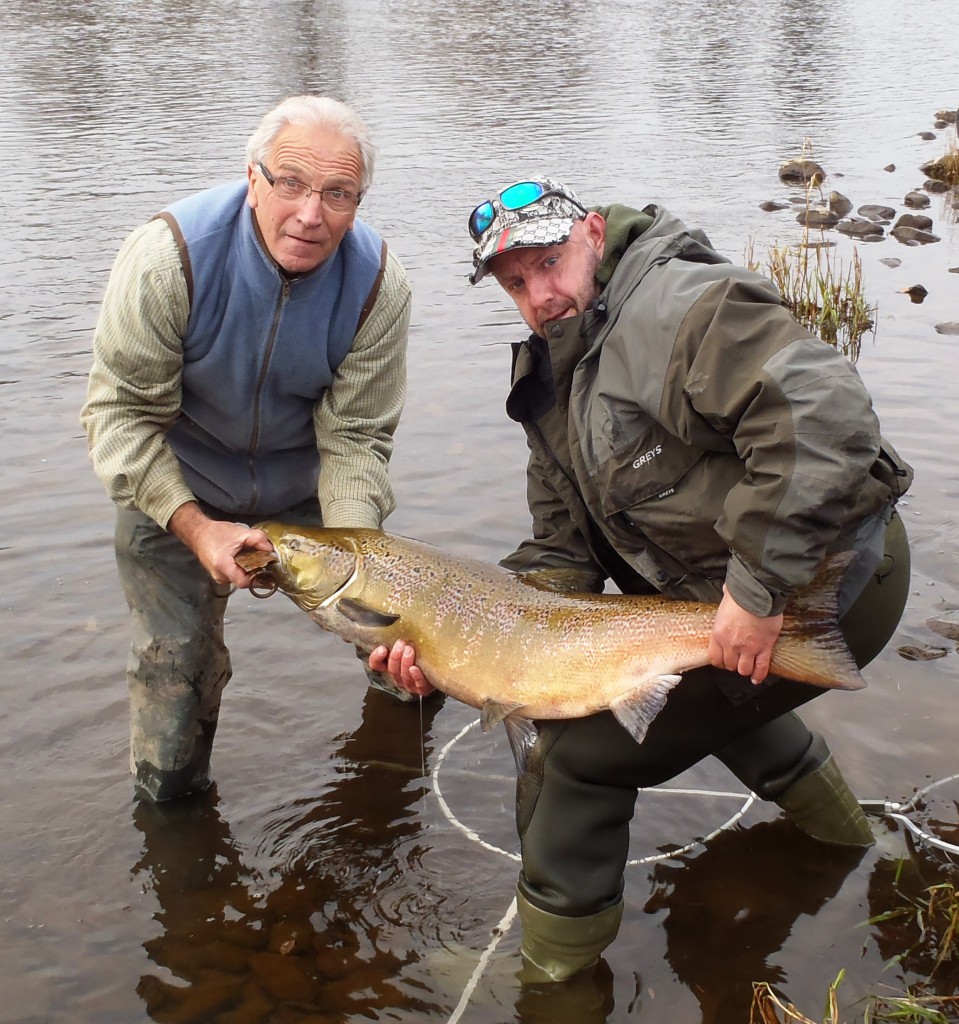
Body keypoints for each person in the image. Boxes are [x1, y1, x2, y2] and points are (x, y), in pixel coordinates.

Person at [370, 177, 913, 982]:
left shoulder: (677, 304)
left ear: (593, 233)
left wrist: (759, 592)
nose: (539, 295)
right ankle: (857, 851)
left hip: (832, 579)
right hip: (727, 598)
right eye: (516, 283)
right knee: (684, 673)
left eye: (549, 264)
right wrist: (453, 645)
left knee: (572, 758)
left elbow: (826, 414)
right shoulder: (548, 382)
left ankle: (550, 983)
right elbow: (559, 559)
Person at [82, 95, 412, 803]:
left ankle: (396, 762)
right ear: (252, 177)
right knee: (176, 677)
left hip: (309, 490)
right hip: (174, 488)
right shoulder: (169, 257)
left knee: (407, 647)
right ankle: (172, 820)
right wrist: (196, 527)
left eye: (337, 193)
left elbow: (355, 438)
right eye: (289, 182)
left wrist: (359, 558)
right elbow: (120, 419)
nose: (310, 213)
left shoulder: (378, 285)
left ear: (358, 201)